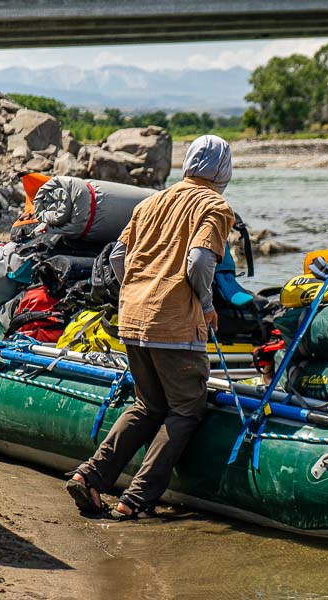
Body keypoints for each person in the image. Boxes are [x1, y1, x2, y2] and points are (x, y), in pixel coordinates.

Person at [65, 134, 235, 520]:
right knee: (186, 409)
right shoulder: (216, 206)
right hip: (175, 324)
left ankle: (91, 476)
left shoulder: (151, 201)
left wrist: (139, 292)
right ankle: (136, 498)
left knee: (147, 404)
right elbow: (198, 263)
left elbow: (119, 256)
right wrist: (206, 306)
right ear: (224, 171)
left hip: (133, 317)